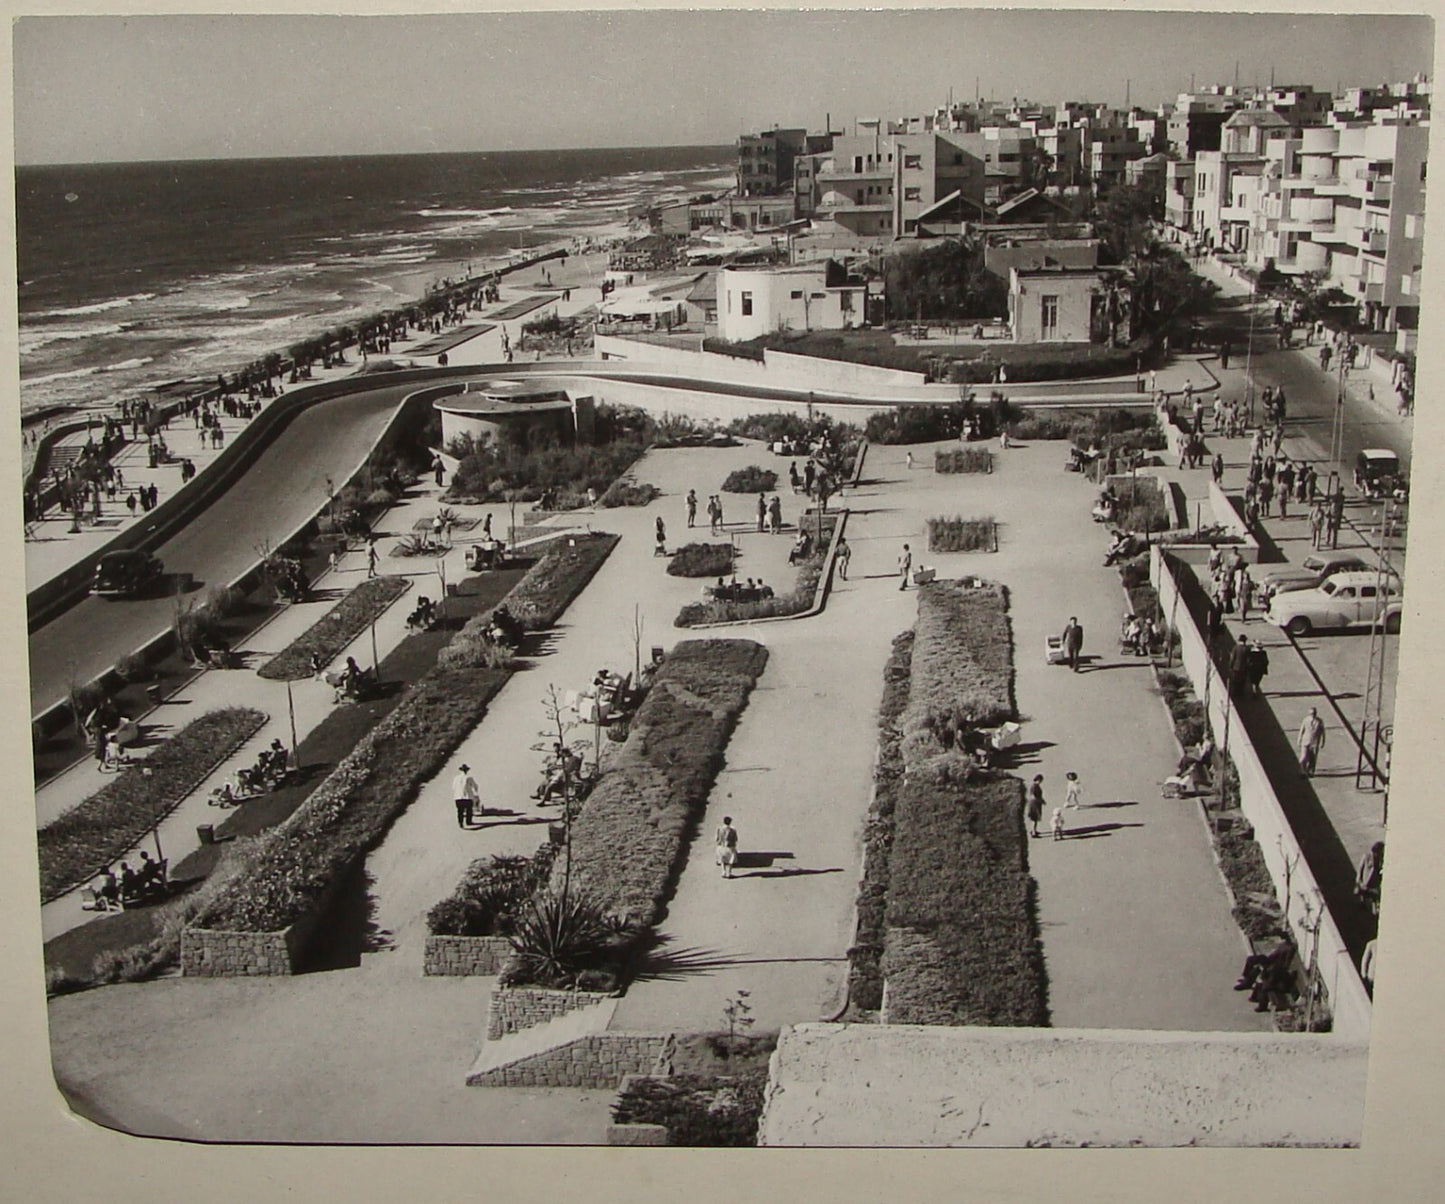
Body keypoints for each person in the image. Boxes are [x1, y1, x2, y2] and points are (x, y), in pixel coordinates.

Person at [1355, 841, 1384, 915]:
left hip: (1374, 882)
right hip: (1366, 880)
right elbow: (1360, 868)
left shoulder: (1381, 859)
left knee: (1374, 896)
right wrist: (1358, 879)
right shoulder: (1367, 856)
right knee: (1363, 893)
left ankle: (1374, 911)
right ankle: (1362, 905)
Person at [1297, 706, 1326, 776]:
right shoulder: (1305, 720)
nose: (1313, 715)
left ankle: (1311, 771)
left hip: (1315, 742)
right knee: (1303, 757)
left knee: (1313, 758)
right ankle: (1303, 771)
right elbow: (1302, 730)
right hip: (1305, 740)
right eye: (1311, 713)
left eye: (1314, 713)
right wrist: (1299, 739)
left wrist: (1323, 741)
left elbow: (1323, 732)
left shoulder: (1320, 721)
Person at [452, 762, 480, 828]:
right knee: (469, 810)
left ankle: (460, 822)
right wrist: (475, 792)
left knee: (460, 811)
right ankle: (468, 821)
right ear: (467, 770)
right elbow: (475, 786)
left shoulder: (456, 778)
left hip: (458, 797)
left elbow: (453, 787)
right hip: (467, 797)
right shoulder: (469, 778)